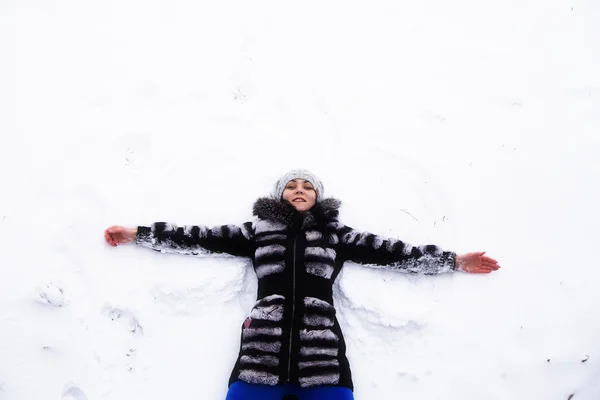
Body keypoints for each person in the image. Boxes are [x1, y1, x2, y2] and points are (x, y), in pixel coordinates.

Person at [104, 169, 501, 400]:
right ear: (280, 195)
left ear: (317, 197)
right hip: (260, 355)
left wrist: (452, 261)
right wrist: (137, 234)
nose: (299, 190)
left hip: (323, 358)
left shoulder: (336, 235)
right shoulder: (256, 231)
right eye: (292, 185)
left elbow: (394, 252)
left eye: (307, 186)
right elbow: (197, 236)